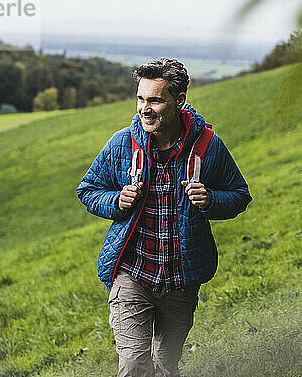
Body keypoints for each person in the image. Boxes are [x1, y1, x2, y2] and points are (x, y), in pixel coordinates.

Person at [76, 57, 251, 377]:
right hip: (132, 273)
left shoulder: (208, 146)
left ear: (179, 100)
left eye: (155, 99)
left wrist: (210, 199)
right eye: (141, 99)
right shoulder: (122, 143)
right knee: (133, 365)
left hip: (181, 281)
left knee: (165, 365)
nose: (145, 108)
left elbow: (238, 195)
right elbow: (88, 190)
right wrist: (116, 200)